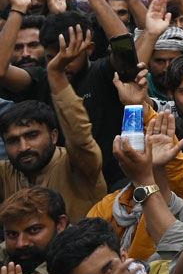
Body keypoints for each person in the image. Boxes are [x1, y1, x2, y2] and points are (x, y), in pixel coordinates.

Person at [0, 29, 105, 222]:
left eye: (32, 135)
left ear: (54, 135)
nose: (23, 147)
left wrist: (56, 75)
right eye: (13, 141)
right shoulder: (7, 172)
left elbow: (79, 136)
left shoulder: (78, 165)